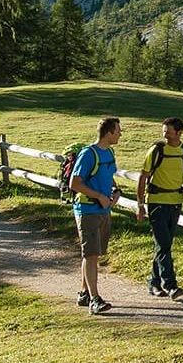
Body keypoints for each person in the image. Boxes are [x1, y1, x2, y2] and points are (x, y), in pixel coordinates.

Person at [134, 117, 183, 298]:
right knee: (163, 244)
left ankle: (153, 283)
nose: (165, 135)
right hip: (156, 202)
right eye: (164, 132)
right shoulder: (156, 150)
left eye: (168, 132)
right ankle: (170, 285)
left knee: (164, 244)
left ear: (179, 132)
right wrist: (140, 204)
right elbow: (143, 177)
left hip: (175, 202)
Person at [69, 116, 122, 314]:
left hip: (103, 210)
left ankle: (84, 293)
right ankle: (95, 300)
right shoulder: (88, 154)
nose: (120, 134)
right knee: (91, 255)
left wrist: (116, 192)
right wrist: (99, 196)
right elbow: (74, 184)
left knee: (93, 254)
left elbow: (110, 178)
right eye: (118, 131)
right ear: (108, 132)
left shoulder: (109, 152)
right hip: (87, 210)